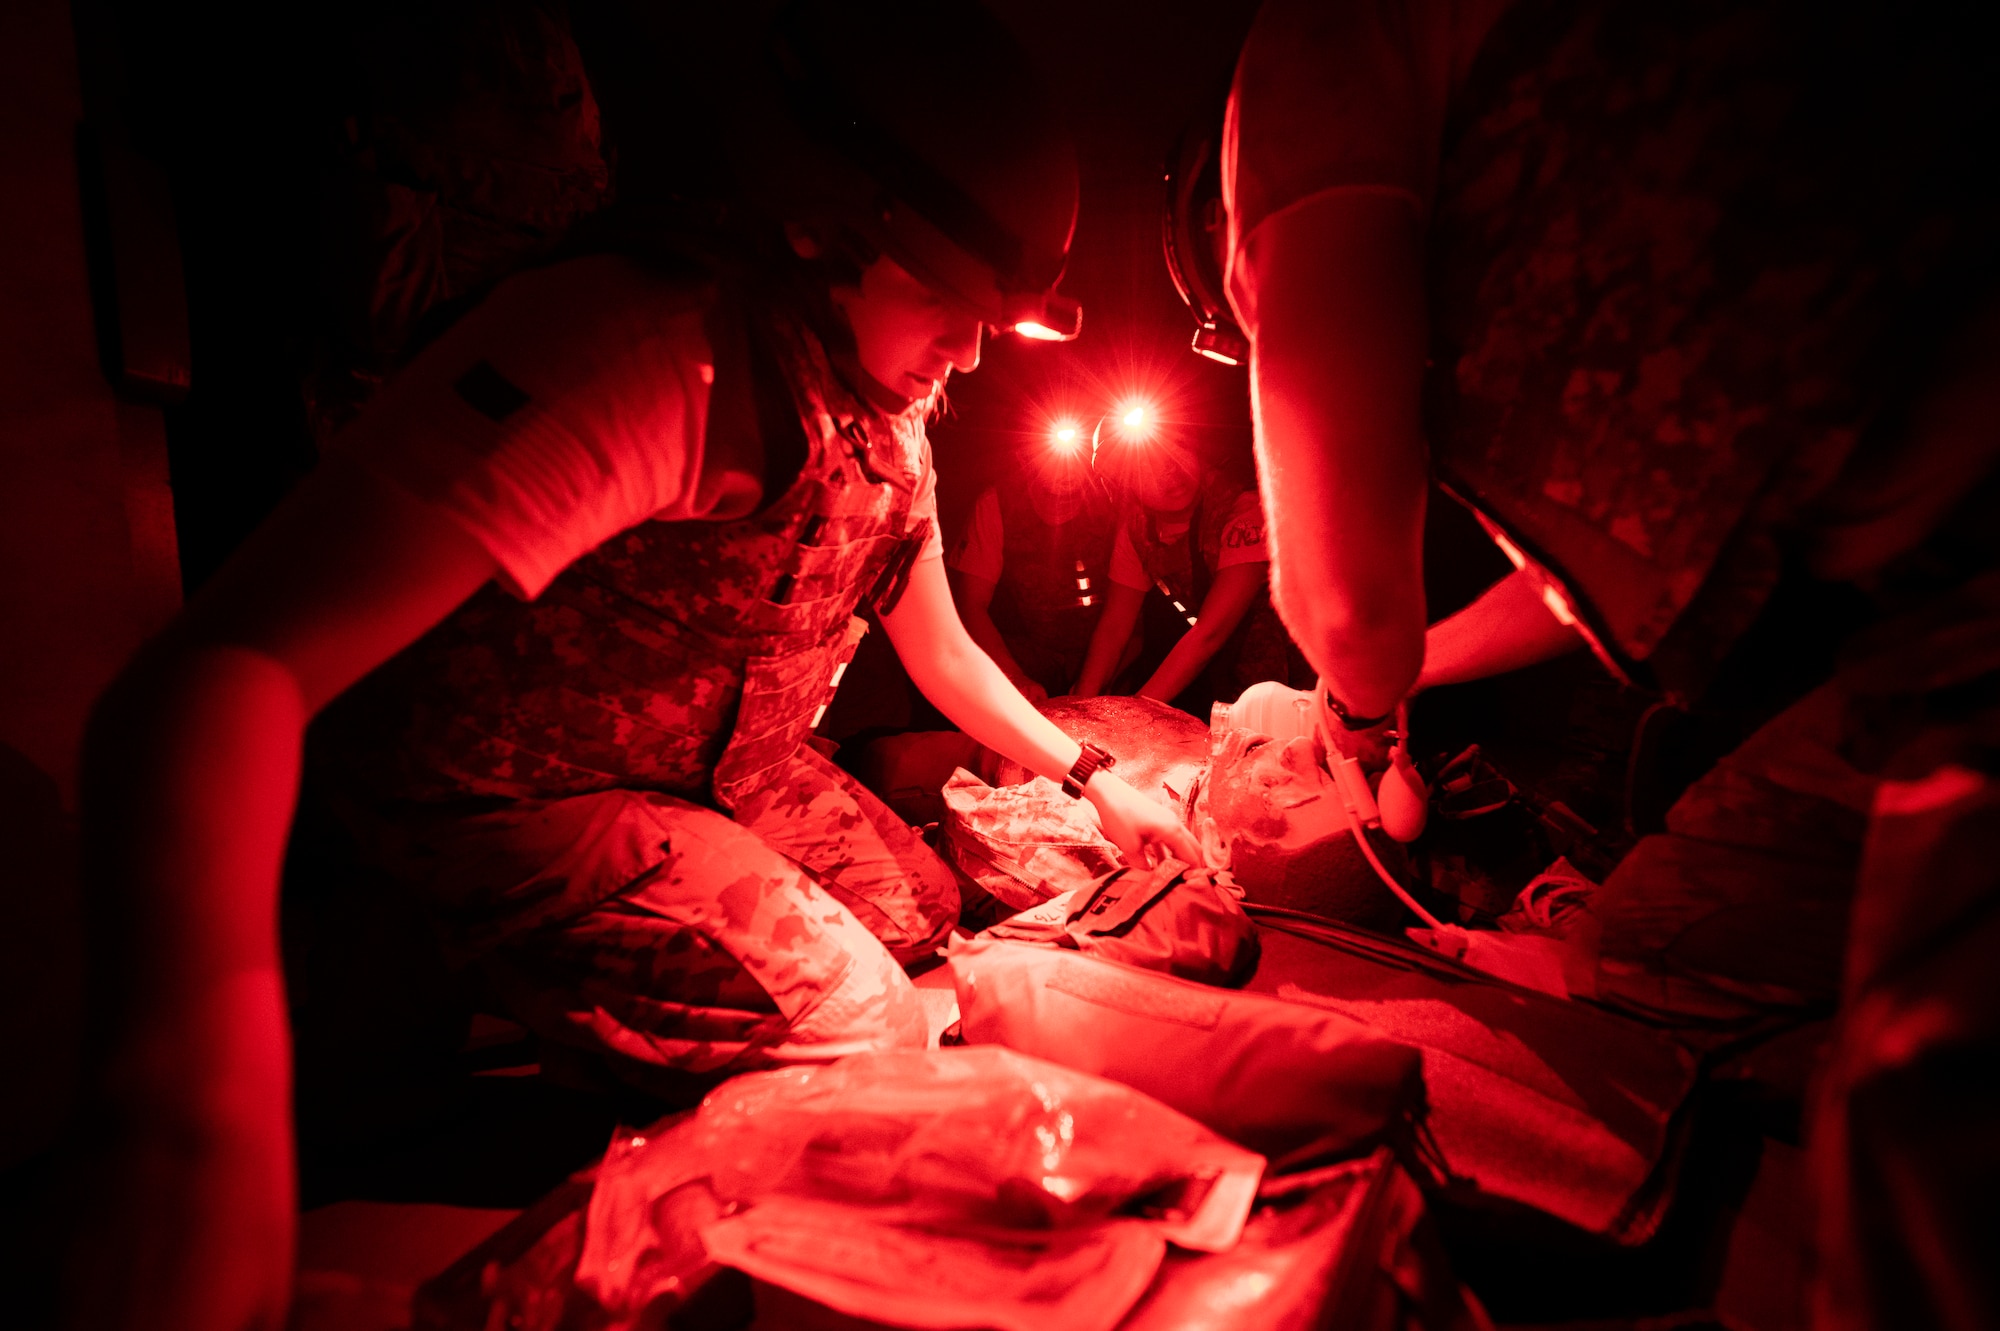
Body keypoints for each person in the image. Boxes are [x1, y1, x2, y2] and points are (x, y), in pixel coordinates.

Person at [68, 5, 1201, 1328]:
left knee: (929, 923)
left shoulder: (889, 405)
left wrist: (1092, 770)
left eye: (990, 320)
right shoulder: (652, 348)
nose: (970, 351)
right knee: (875, 1032)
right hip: (531, 787)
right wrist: (188, 1124)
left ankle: (645, 1076)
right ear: (818, 230)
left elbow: (937, 642)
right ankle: (606, 1259)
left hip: (725, 768)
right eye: (947, 303)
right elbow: (222, 672)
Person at [1208, 0, 2000, 1324]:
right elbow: (1561, 587)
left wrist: (1349, 703)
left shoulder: (1316, 54)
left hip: (1965, 590)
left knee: (1919, 1194)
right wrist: (1392, 689)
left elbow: (1346, 608)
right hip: (1931, 583)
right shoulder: (1570, 92)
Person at [1072, 424, 1302, 708]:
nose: (1169, 470)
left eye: (1173, 448)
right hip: (1221, 672)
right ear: (1124, 482)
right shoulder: (1137, 529)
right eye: (1145, 464)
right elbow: (1115, 628)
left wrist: (1137, 709)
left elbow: (1210, 632)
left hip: (1294, 673)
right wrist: (1081, 705)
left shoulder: (1242, 508)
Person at [946, 437, 1114, 702]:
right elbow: (971, 605)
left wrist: (1092, 685)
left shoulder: (1113, 499)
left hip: (1112, 653)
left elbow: (1126, 618)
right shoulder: (998, 504)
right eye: (1054, 453)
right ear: (1025, 456)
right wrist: (1016, 679)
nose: (1067, 467)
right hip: (1035, 651)